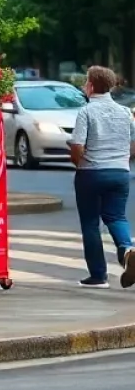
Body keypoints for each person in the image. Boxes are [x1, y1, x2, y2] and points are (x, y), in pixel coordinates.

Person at [68, 66, 135, 288]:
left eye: (86, 81)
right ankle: (127, 251)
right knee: (116, 216)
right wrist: (124, 157)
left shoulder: (86, 112)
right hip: (120, 172)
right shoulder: (125, 112)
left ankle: (98, 276)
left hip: (91, 173)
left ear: (92, 85)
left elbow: (77, 145)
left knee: (90, 223)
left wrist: (79, 164)